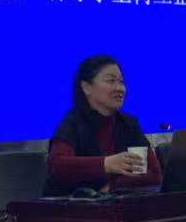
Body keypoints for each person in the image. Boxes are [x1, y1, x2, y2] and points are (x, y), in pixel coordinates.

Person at [44, 54, 161, 196]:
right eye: (111, 81)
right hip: (74, 207)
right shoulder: (72, 124)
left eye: (121, 82)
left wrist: (113, 186)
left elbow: (154, 174)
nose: (120, 89)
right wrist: (106, 164)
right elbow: (57, 167)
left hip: (116, 205)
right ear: (86, 87)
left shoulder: (128, 124)